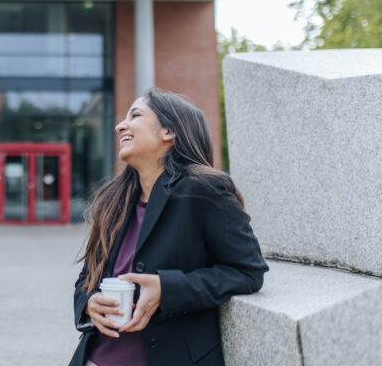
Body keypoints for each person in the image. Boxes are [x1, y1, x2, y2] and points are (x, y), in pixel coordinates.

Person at [69, 89, 268, 366]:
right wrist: (89, 304)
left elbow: (248, 272)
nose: (120, 126)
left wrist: (168, 288)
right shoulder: (113, 199)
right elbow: (86, 278)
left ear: (168, 132)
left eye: (135, 115)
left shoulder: (205, 191)